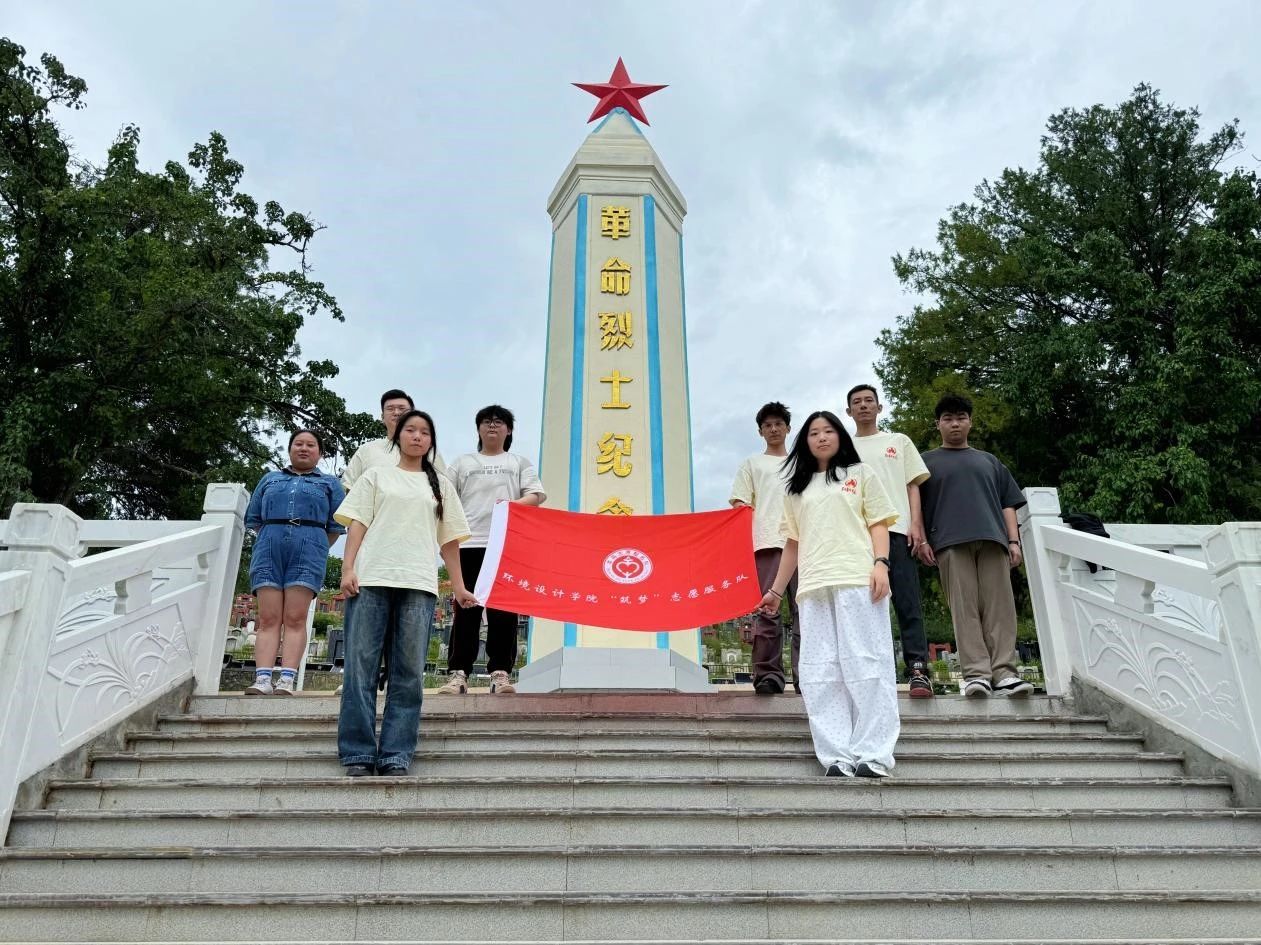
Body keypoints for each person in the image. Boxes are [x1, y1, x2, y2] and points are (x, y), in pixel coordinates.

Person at [758, 411, 901, 778]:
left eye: (828, 431)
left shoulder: (860, 474)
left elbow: (879, 524)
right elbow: (792, 544)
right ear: (805, 441)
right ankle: (836, 754)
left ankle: (873, 753)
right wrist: (775, 591)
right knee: (821, 671)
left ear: (839, 435)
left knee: (867, 664)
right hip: (813, 587)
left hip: (858, 579)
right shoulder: (796, 488)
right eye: (814, 433)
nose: (821, 437)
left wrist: (881, 564)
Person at [334, 409, 476, 776]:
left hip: (418, 584)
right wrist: (348, 569)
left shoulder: (440, 485)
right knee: (360, 670)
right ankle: (358, 752)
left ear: (431, 441)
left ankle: (396, 753)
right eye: (410, 430)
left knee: (408, 673)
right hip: (372, 579)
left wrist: (459, 586)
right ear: (398, 436)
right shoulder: (376, 476)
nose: (417, 436)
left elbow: (449, 541)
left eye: (424, 432)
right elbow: (357, 525)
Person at [916, 394, 1033, 698]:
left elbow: (1008, 503)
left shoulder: (989, 461)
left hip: (993, 539)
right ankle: (977, 675)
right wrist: (923, 539)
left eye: (961, 418)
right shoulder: (925, 462)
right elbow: (916, 507)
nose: (955, 423)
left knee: (1000, 608)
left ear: (970, 422)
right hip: (949, 542)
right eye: (948, 419)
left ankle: (1005, 673)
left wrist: (1013, 540)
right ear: (938, 424)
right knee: (964, 609)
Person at [438, 405, 547, 695]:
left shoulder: (518, 462)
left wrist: (509, 506)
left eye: (499, 422)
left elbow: (536, 495)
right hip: (467, 543)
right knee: (466, 609)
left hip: (504, 545)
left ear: (508, 430)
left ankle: (500, 673)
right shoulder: (463, 463)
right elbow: (444, 496)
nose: (492, 426)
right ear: (478, 429)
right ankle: (458, 673)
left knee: (503, 610)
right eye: (486, 422)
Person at [846, 384, 934, 698]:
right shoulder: (844, 447)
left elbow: (913, 485)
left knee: (908, 603)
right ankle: (867, 674)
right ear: (849, 411)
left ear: (879, 407)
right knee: (863, 606)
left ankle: (918, 670)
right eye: (857, 402)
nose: (863, 406)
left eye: (869, 400)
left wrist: (916, 525)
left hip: (898, 532)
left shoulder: (898, 441)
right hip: (858, 536)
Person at [242, 430, 345, 695]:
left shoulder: (330, 484)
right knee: (268, 617)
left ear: (320, 453)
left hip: (310, 549)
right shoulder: (270, 479)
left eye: (311, 445)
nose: (304, 448)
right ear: (290, 449)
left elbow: (336, 525)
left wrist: (314, 545)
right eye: (298, 444)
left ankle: (287, 678)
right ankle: (262, 679)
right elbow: (254, 518)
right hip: (269, 548)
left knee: (295, 617)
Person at [729, 401, 800, 694]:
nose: (773, 429)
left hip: (805, 543)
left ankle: (807, 674)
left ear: (788, 428)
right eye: (767, 425)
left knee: (805, 609)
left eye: (778, 424)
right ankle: (768, 675)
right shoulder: (752, 464)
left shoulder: (802, 462)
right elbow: (739, 502)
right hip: (767, 542)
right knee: (768, 611)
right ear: (760, 431)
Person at [342, 389, 447, 492]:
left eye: (402, 408)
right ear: (382, 417)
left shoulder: (429, 451)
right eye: (390, 409)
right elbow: (348, 488)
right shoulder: (366, 450)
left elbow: (445, 489)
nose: (396, 413)